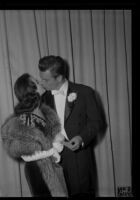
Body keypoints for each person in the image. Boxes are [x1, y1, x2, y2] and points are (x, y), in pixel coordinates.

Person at [38, 55, 103, 197]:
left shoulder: (85, 92)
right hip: (54, 159)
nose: (41, 83)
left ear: (60, 77)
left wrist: (81, 138)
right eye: (41, 78)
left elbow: (96, 122)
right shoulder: (44, 99)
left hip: (79, 159)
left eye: (46, 79)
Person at [1, 73, 68, 197]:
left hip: (52, 167)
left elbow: (49, 137)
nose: (41, 83)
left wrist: (57, 141)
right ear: (31, 90)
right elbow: (26, 153)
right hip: (38, 171)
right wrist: (52, 150)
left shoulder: (43, 111)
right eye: (37, 82)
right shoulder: (24, 119)